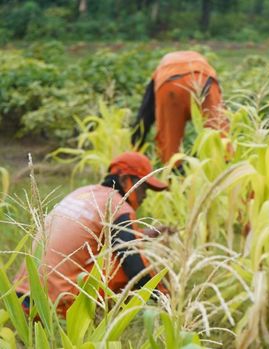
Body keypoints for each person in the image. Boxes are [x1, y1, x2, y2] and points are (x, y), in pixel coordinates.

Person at [14, 152, 169, 316]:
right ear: (125, 180)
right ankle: (92, 316)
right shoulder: (119, 206)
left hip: (21, 296)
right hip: (52, 305)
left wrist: (145, 234)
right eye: (143, 188)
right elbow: (134, 266)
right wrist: (165, 298)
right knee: (127, 258)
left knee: (120, 249)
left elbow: (94, 235)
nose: (144, 195)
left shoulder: (84, 192)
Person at [131, 50, 229, 164]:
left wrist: (136, 144)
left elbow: (145, 113)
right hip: (205, 81)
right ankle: (226, 173)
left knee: (170, 149)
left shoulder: (160, 71)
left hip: (170, 84)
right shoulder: (202, 64)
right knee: (219, 141)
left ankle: (172, 175)